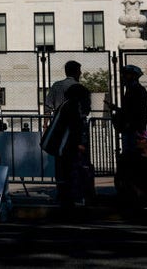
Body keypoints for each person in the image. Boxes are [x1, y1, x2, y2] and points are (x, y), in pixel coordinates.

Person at [50, 82, 92, 215]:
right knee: (71, 174)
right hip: (68, 147)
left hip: (64, 146)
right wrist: (78, 144)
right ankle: (70, 204)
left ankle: (67, 202)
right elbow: (74, 127)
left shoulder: (66, 104)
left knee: (65, 175)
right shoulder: (73, 106)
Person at [108, 64, 147, 155]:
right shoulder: (132, 89)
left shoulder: (137, 90)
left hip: (134, 128)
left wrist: (120, 112)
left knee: (133, 153)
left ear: (134, 76)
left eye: (126, 75)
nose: (123, 78)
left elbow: (134, 111)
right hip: (131, 128)